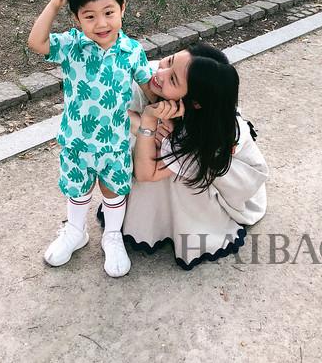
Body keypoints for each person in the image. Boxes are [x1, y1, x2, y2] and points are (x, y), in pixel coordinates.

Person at [28, 0, 153, 278]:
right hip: (77, 142)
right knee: (78, 190)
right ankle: (75, 231)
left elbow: (150, 88)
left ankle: (112, 236)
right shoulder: (72, 45)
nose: (101, 24)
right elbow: (37, 43)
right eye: (90, 16)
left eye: (109, 12)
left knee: (113, 191)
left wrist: (169, 108)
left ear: (123, 8)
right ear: (76, 19)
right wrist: (53, 5)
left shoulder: (132, 51)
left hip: (115, 143)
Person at [114, 44, 268, 270]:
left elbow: (146, 174)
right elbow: (104, 106)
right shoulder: (158, 74)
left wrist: (148, 121)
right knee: (144, 142)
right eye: (169, 60)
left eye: (173, 79)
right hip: (183, 139)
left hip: (227, 177)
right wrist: (145, 125)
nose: (160, 73)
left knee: (172, 171)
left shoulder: (203, 136)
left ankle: (174, 223)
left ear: (195, 102)